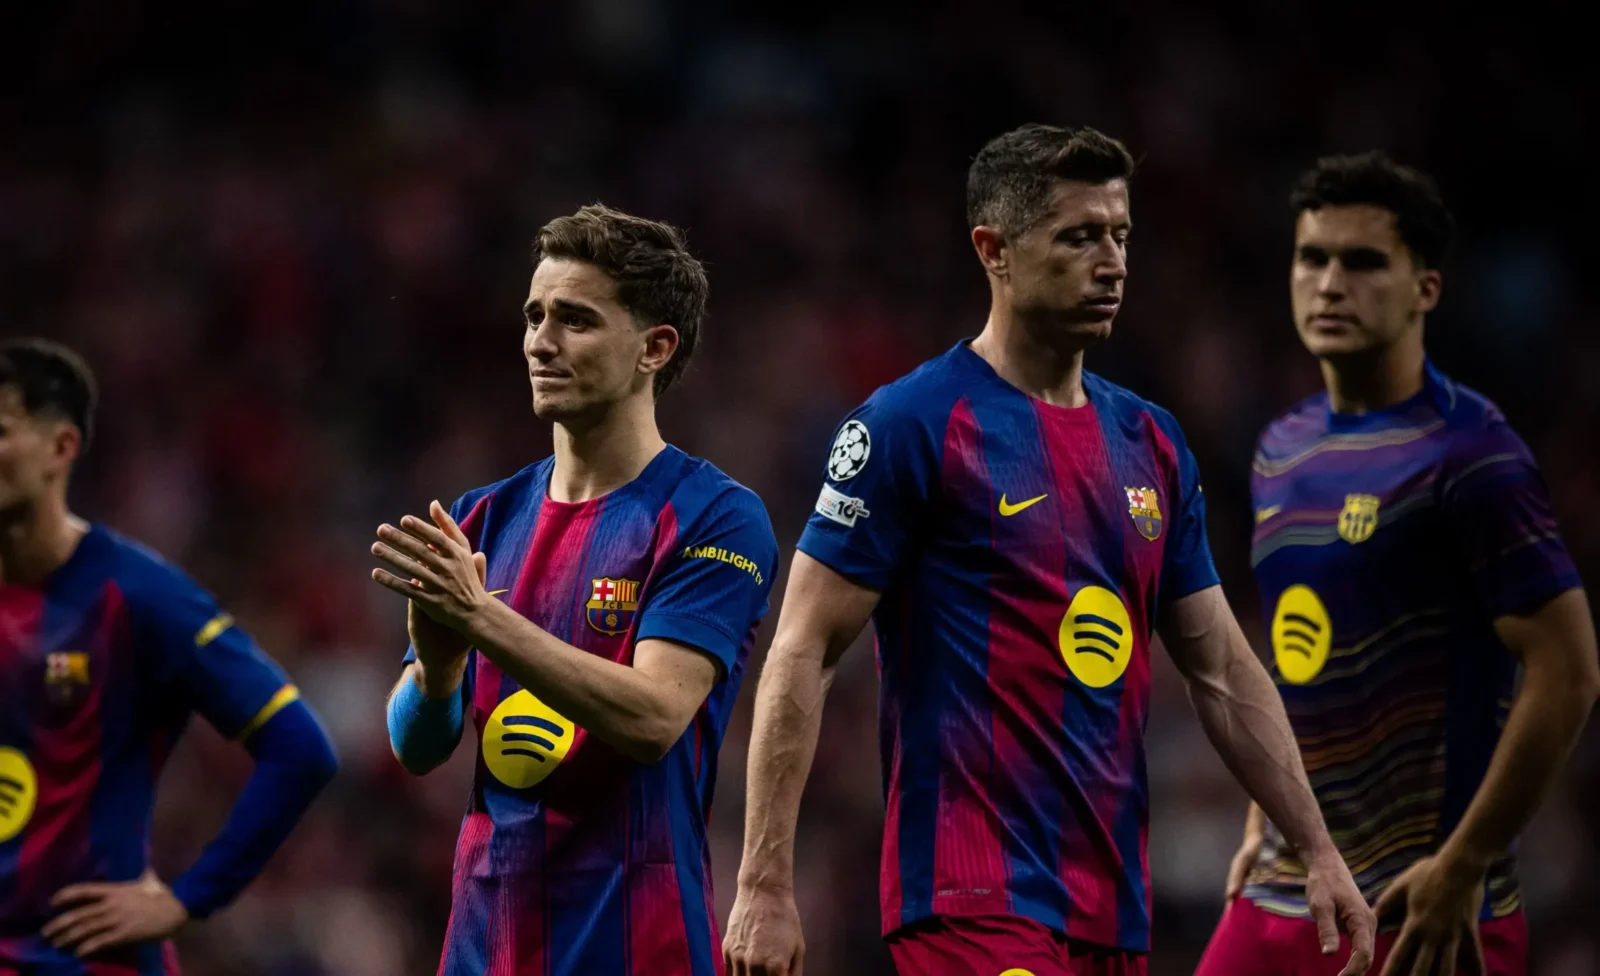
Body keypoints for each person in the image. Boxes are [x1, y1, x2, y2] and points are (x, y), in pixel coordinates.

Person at [723, 123, 1375, 976]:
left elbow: (1220, 667)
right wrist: (764, 883)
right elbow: (803, 648)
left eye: (1121, 236)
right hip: (968, 897)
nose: (1112, 263)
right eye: (1079, 237)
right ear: (993, 250)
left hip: (1112, 908)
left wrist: (1317, 847)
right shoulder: (911, 425)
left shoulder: (1151, 442)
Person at [1197, 152, 1600, 976]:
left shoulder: (1473, 455)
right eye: (1313, 258)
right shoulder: (1281, 449)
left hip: (1419, 912)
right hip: (1284, 892)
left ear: (1426, 288)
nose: (1330, 284)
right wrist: (1261, 814)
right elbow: (1298, 658)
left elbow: (1569, 672)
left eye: (1364, 262)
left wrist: (1465, 865)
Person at [377, 204, 778, 976]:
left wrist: (479, 620)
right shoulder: (481, 518)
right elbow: (416, 748)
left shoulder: (713, 515)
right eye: (535, 316)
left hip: (637, 943)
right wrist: (437, 669)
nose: (541, 341)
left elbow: (654, 716)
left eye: (576, 320)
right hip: (485, 944)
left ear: (654, 348)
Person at [0, 338, 339, 973]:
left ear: (61, 448)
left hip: (90, 961)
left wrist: (190, 897)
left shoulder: (138, 596)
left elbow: (301, 749)